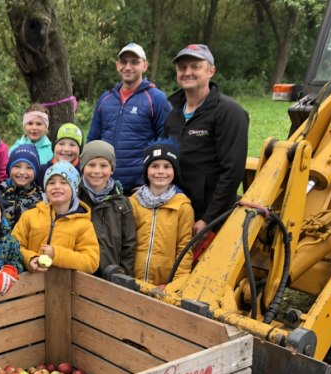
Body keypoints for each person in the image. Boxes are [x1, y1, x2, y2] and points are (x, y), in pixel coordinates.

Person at [163, 44, 249, 239]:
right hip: (178, 211)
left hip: (207, 218)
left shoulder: (228, 112)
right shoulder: (172, 111)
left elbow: (233, 171)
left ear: (211, 71)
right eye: (182, 67)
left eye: (195, 66)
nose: (187, 72)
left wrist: (210, 219)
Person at [86, 43, 172, 193]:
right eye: (124, 62)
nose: (128, 66)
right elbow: (93, 140)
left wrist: (145, 180)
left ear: (144, 66)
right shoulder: (105, 98)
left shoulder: (156, 98)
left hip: (139, 188)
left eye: (134, 62)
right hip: (103, 184)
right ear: (117, 65)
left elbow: (165, 143)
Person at [12, 162, 100, 274]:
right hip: (32, 287)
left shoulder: (84, 225)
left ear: (74, 189)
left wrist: (56, 254)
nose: (57, 187)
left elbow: (91, 262)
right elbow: (14, 246)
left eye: (64, 183)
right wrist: (30, 258)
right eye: (51, 183)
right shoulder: (29, 216)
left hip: (66, 287)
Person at [129, 142, 194, 286]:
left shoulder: (182, 207)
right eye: (154, 166)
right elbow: (125, 243)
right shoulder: (133, 202)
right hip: (132, 280)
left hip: (163, 285)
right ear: (146, 170)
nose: (160, 171)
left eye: (167, 166)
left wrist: (175, 284)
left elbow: (185, 248)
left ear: (175, 171)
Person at [78, 141, 137, 276]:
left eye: (103, 165)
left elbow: (129, 243)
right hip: (79, 273)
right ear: (83, 167)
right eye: (91, 165)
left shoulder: (121, 203)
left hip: (110, 274)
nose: (97, 171)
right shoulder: (75, 198)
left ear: (111, 169)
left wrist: (123, 271)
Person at [0, 143, 43, 226]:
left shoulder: (41, 199)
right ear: (9, 168)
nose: (22, 172)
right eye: (17, 166)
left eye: (29, 168)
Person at [37, 123, 84, 187]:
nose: (66, 149)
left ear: (80, 149)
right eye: (61, 144)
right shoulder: (41, 171)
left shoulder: (84, 172)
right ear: (54, 146)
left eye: (72, 145)